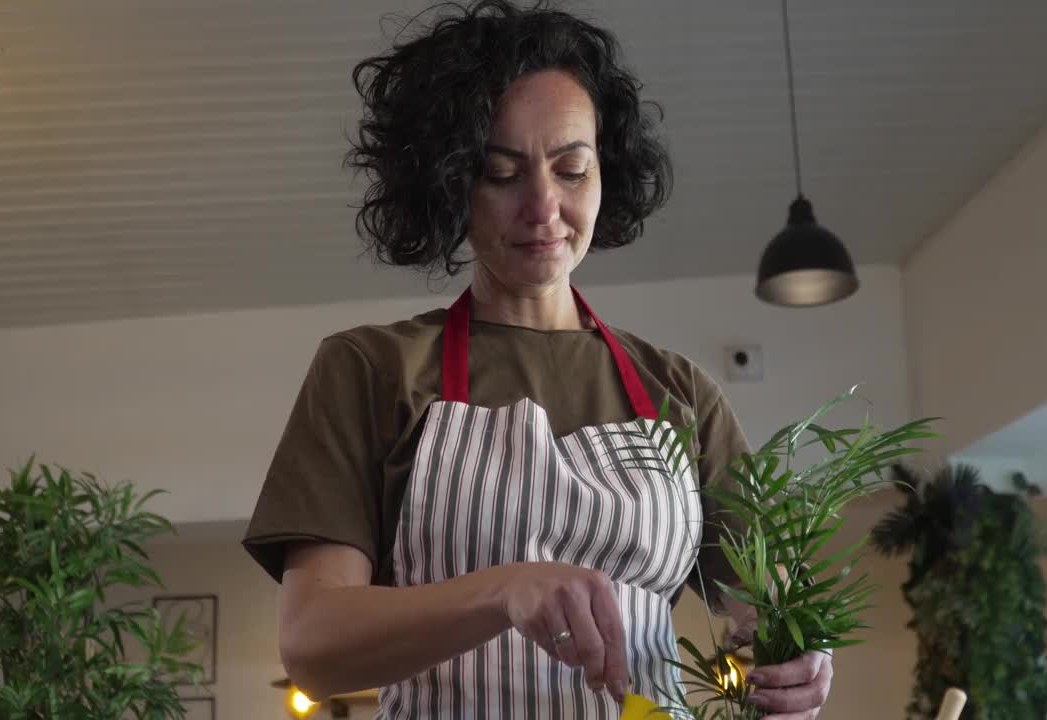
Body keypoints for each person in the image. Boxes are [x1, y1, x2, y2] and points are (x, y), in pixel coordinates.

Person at [242, 1, 833, 717]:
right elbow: (313, 644)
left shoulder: (681, 393)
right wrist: (501, 589)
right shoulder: (372, 369)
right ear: (451, 182)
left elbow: (763, 617)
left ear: (605, 172)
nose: (543, 206)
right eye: (501, 173)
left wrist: (800, 660)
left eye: (572, 168)